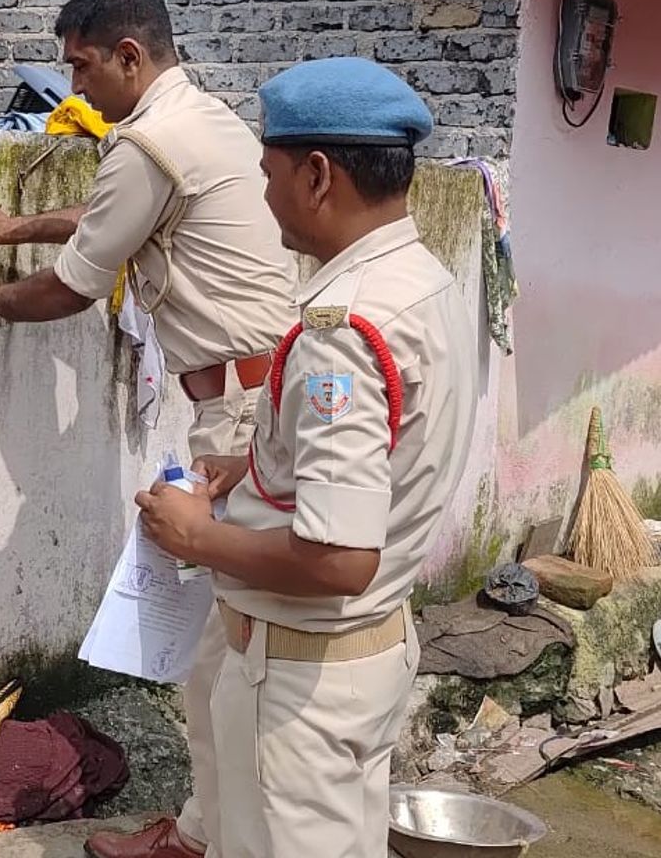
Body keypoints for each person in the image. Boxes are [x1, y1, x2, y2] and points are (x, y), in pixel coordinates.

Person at [0, 0, 297, 856]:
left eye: (83, 69)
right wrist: (8, 231)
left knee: (236, 660)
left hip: (241, 416)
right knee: (224, 657)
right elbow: (107, 218)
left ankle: (216, 841)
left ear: (129, 55)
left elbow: (78, 285)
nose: (74, 90)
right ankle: (199, 836)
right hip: (252, 399)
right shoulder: (203, 122)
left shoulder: (150, 143)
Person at [127, 57, 479, 858]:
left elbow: (337, 557)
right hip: (369, 653)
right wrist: (249, 477)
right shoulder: (424, 284)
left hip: (302, 679)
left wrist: (195, 535)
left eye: (269, 171)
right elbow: (380, 465)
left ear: (316, 175)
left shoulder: (341, 331)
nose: (264, 193)